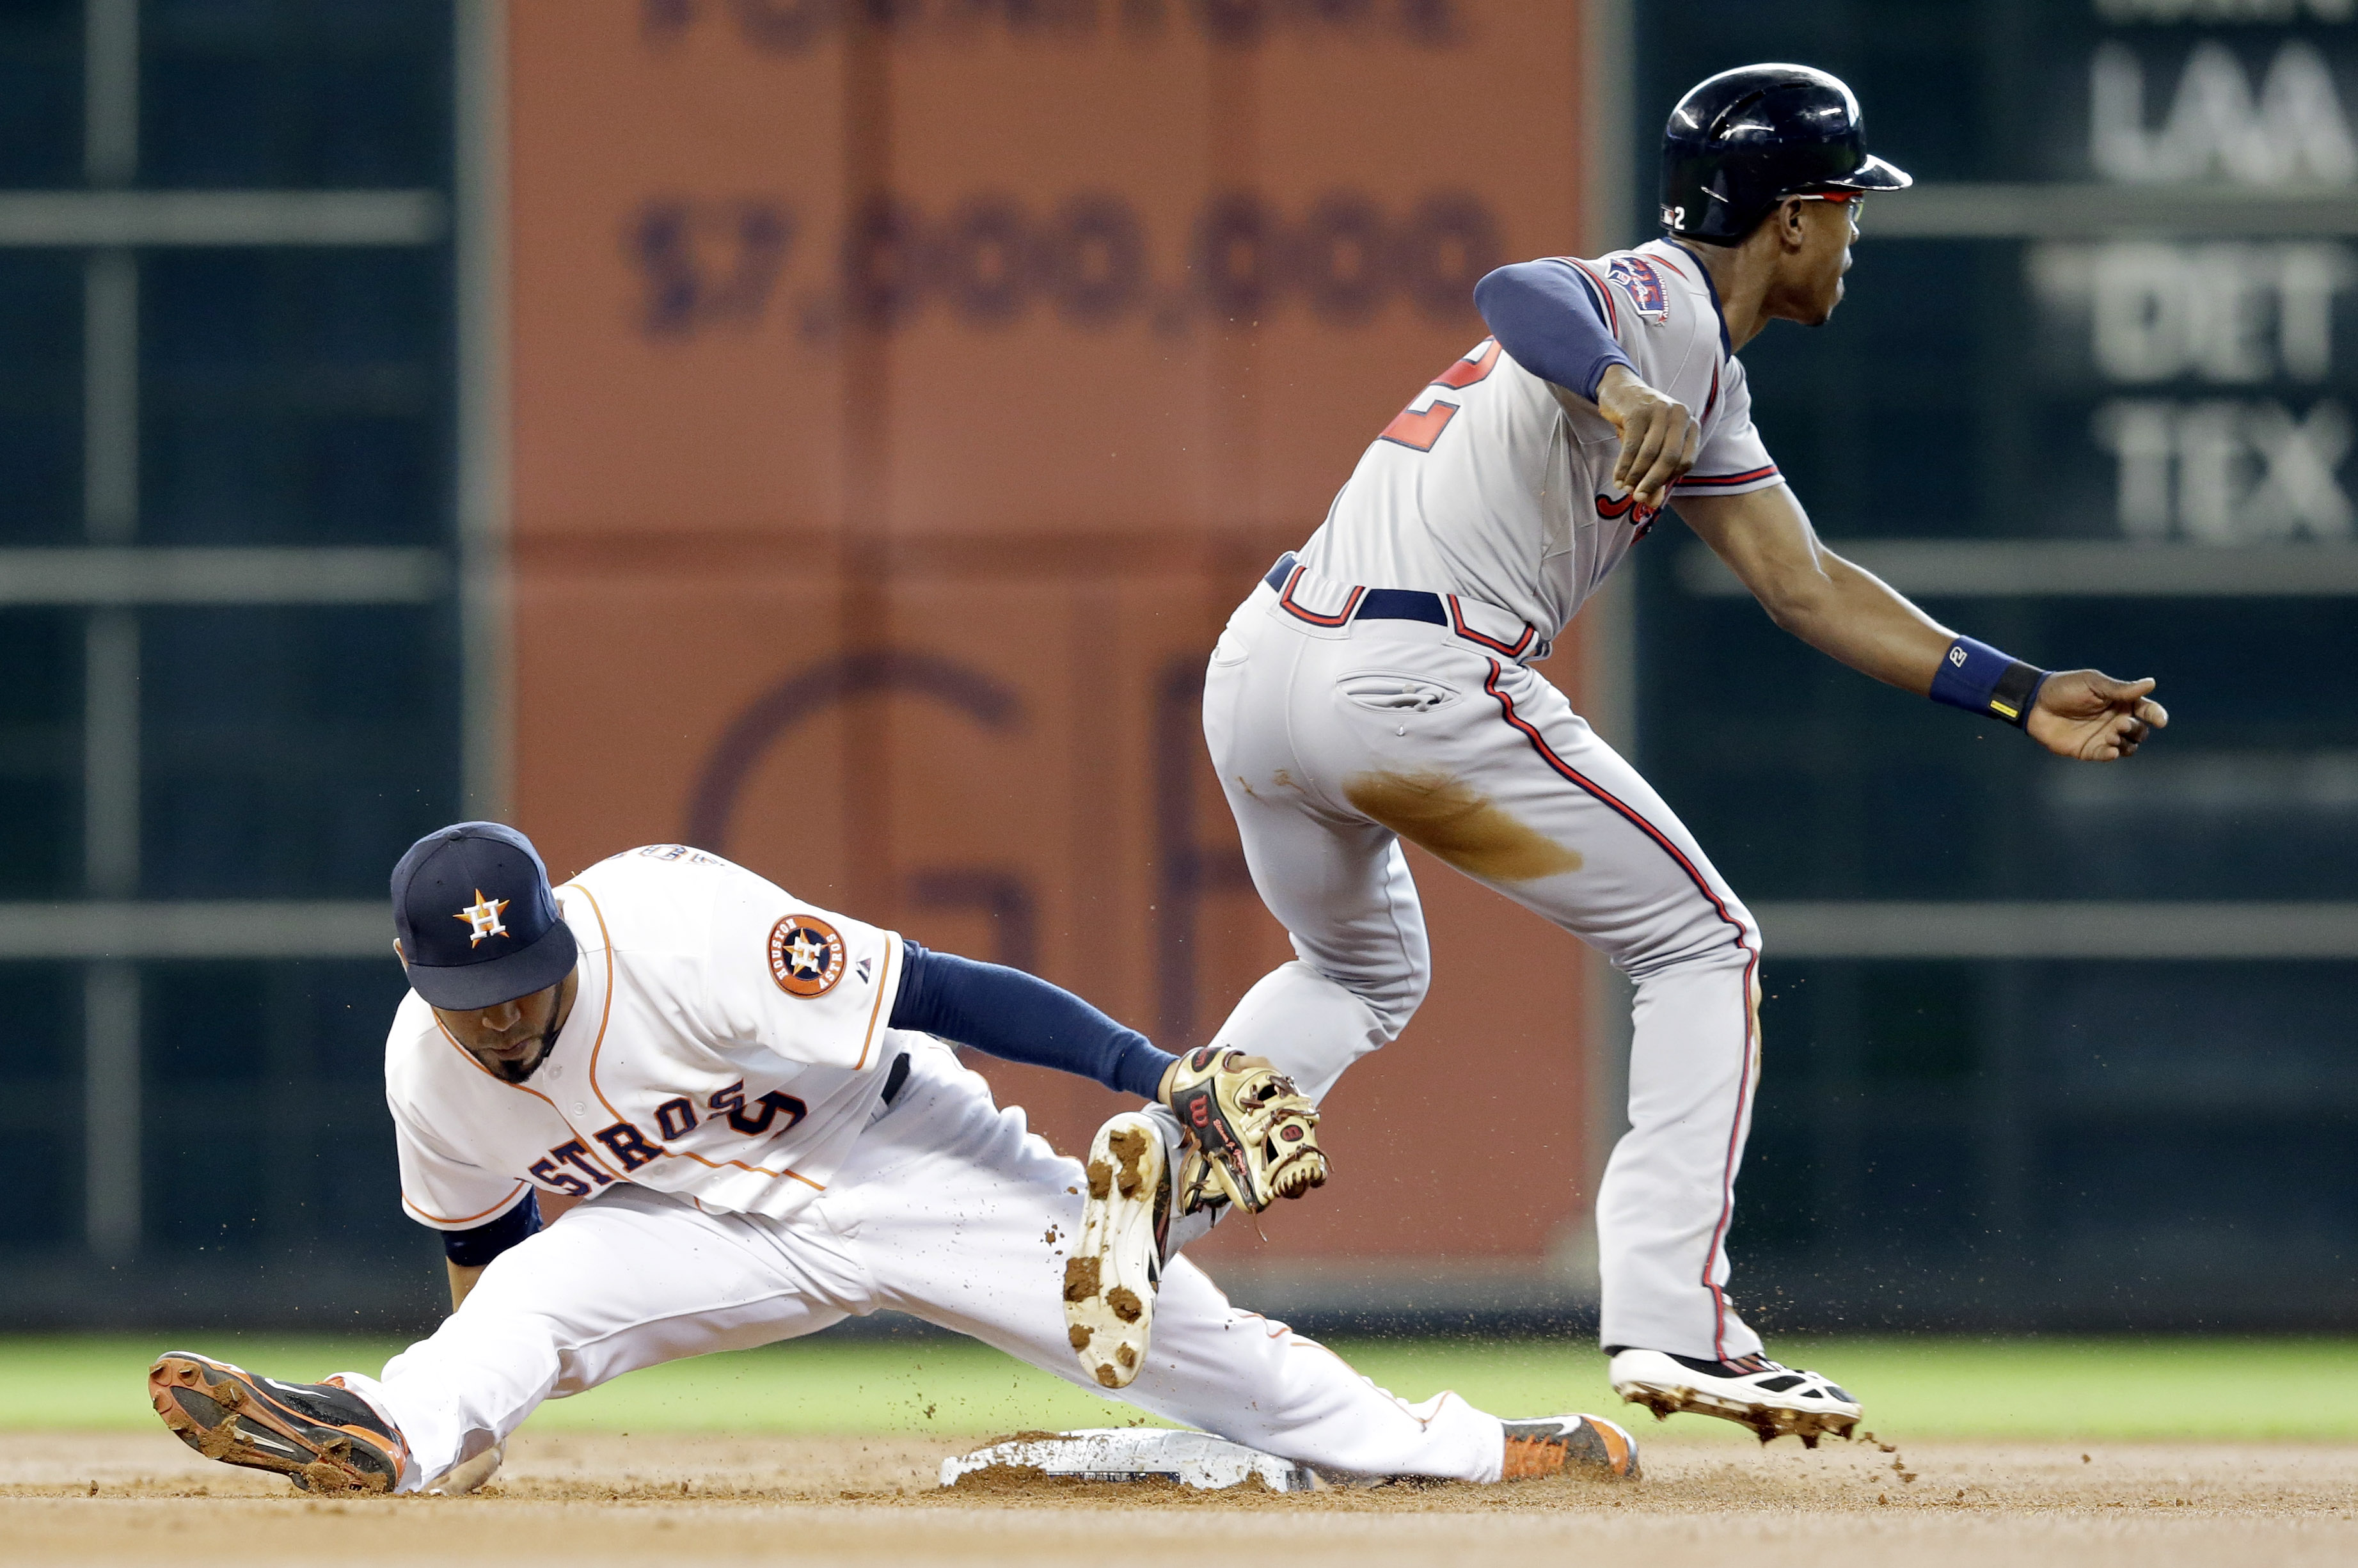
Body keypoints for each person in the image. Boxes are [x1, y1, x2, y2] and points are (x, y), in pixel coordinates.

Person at [1070, 63, 2167, 1445]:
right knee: (1704, 944)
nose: (1852, 238)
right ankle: (1677, 1319)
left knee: (1359, 970)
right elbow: (1520, 289)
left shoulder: (1699, 375)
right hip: (1409, 675)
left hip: (1267, 670)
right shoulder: (1660, 302)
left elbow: (1806, 586)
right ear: (1791, 218)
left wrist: (2014, 692)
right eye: (1846, 209)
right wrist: (1609, 378)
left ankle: (1152, 1184)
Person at [146, 822, 1637, 1494]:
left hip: (899, 1148)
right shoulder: (431, 1069)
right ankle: (387, 1435)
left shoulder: (679, 927)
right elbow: (482, 1254)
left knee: (1179, 1348)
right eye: (478, 1001)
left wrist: (1156, 1072)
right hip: (696, 1221)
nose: (511, 1014)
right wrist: (473, 1417)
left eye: (528, 979)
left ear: (556, 936)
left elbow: (940, 985)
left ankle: (1462, 1445)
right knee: (520, 1312)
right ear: (422, 985)